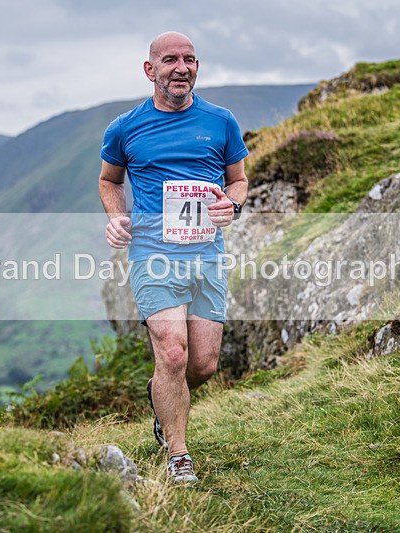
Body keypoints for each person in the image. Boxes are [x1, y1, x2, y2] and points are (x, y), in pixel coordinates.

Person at [98, 31, 248, 483]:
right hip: (153, 255)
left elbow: (238, 180)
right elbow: (108, 182)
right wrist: (117, 217)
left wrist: (233, 205)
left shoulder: (221, 121)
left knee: (202, 365)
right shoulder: (125, 127)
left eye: (189, 60)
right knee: (174, 354)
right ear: (151, 70)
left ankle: (160, 395)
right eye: (170, 60)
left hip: (207, 255)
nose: (181, 68)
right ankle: (179, 456)